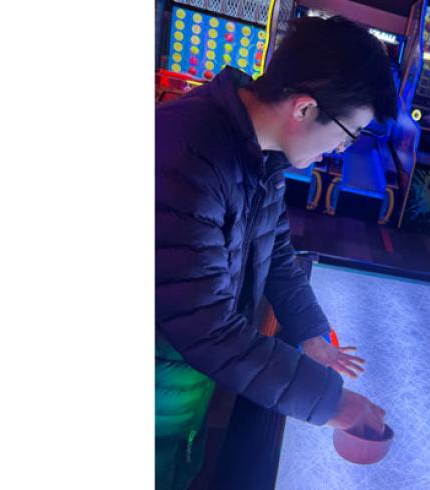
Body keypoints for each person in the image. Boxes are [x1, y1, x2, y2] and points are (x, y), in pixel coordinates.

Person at [155, 15, 398, 489]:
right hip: (155, 381)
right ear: (305, 109)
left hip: (181, 377)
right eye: (348, 136)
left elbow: (277, 251)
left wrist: (310, 332)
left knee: (181, 464)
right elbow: (208, 329)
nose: (339, 152)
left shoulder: (258, 150)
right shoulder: (190, 153)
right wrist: (335, 405)